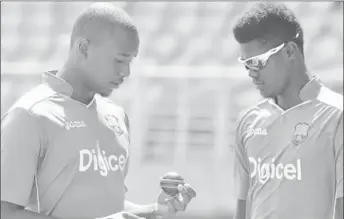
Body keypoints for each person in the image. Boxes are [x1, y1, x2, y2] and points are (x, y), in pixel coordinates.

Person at [1, 3, 196, 219]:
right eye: (120, 60)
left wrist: (154, 211)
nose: (127, 71)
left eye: (130, 61)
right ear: (84, 48)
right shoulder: (30, 115)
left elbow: (110, 208)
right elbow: (5, 212)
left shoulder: (117, 117)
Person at [231, 3, 343, 219]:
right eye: (246, 64)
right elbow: (243, 208)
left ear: (290, 51)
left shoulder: (337, 116)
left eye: (257, 62)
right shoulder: (247, 122)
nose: (251, 73)